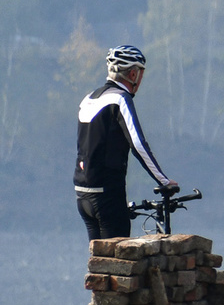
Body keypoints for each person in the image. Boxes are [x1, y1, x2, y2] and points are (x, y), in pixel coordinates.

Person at [74, 45, 178, 241]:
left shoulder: (87, 99)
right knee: (118, 261)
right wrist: (163, 181)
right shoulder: (120, 99)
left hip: (82, 192)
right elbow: (138, 144)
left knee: (98, 259)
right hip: (107, 194)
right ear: (132, 74)